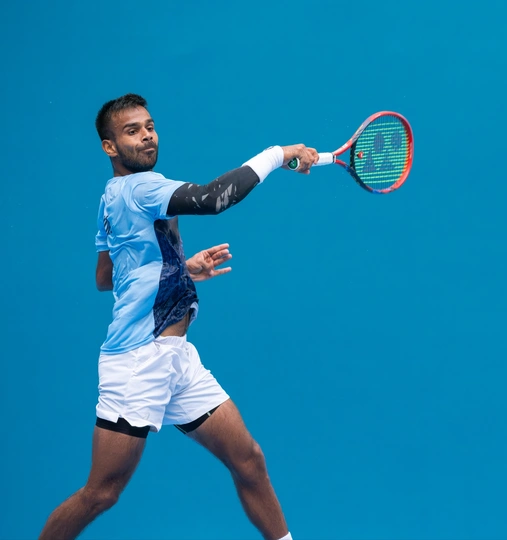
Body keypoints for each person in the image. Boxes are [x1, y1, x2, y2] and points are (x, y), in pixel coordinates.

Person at [38, 93, 318, 540]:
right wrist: (279, 154)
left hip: (176, 359)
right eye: (132, 131)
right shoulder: (141, 188)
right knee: (101, 493)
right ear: (109, 146)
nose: (146, 136)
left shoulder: (112, 196)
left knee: (248, 460)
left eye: (149, 126)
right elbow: (213, 199)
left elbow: (107, 277)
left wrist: (179, 269)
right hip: (138, 360)